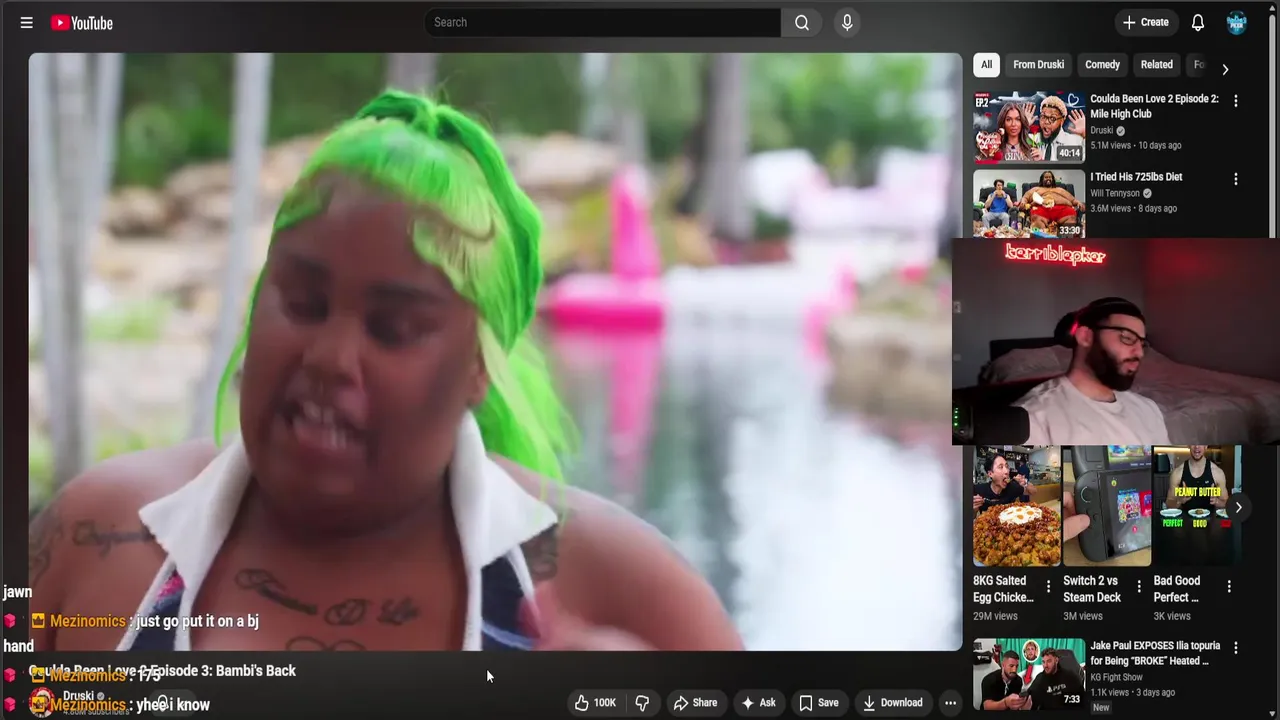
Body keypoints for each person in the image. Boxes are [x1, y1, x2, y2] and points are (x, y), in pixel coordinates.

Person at [28, 91, 743, 652]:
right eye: (303, 303)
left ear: (478, 369)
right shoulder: (94, 537)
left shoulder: (628, 595)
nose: (330, 357)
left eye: (393, 329)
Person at [1013, 298, 1169, 445]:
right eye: (1127, 338)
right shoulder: (1034, 418)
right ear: (1085, 337)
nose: (1139, 353)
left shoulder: (1149, 409)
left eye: (1142, 344)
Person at [1165, 445, 1229, 511]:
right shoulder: (1177, 473)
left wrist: (1217, 501)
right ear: (1189, 445)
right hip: (1185, 517)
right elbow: (1169, 503)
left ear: (1206, 446)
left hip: (1210, 517)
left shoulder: (1217, 473)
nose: (1197, 447)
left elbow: (1226, 503)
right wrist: (1179, 501)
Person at [1020, 171, 1085, 232]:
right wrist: (1023, 202)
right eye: (1046, 177)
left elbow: (1073, 200)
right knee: (1035, 216)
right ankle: (1041, 237)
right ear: (1042, 179)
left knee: (1071, 214)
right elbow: (1025, 197)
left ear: (1053, 179)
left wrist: (1078, 202)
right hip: (1041, 209)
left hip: (1061, 209)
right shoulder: (1036, 189)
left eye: (1050, 177)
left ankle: (1065, 237)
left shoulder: (1060, 189)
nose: (1048, 178)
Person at [1030, 96, 1086, 161]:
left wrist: (1084, 134)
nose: (1046, 122)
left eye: (1052, 118)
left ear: (1062, 120)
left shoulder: (1074, 142)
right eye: (1043, 116)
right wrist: (1025, 124)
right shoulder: (1032, 139)